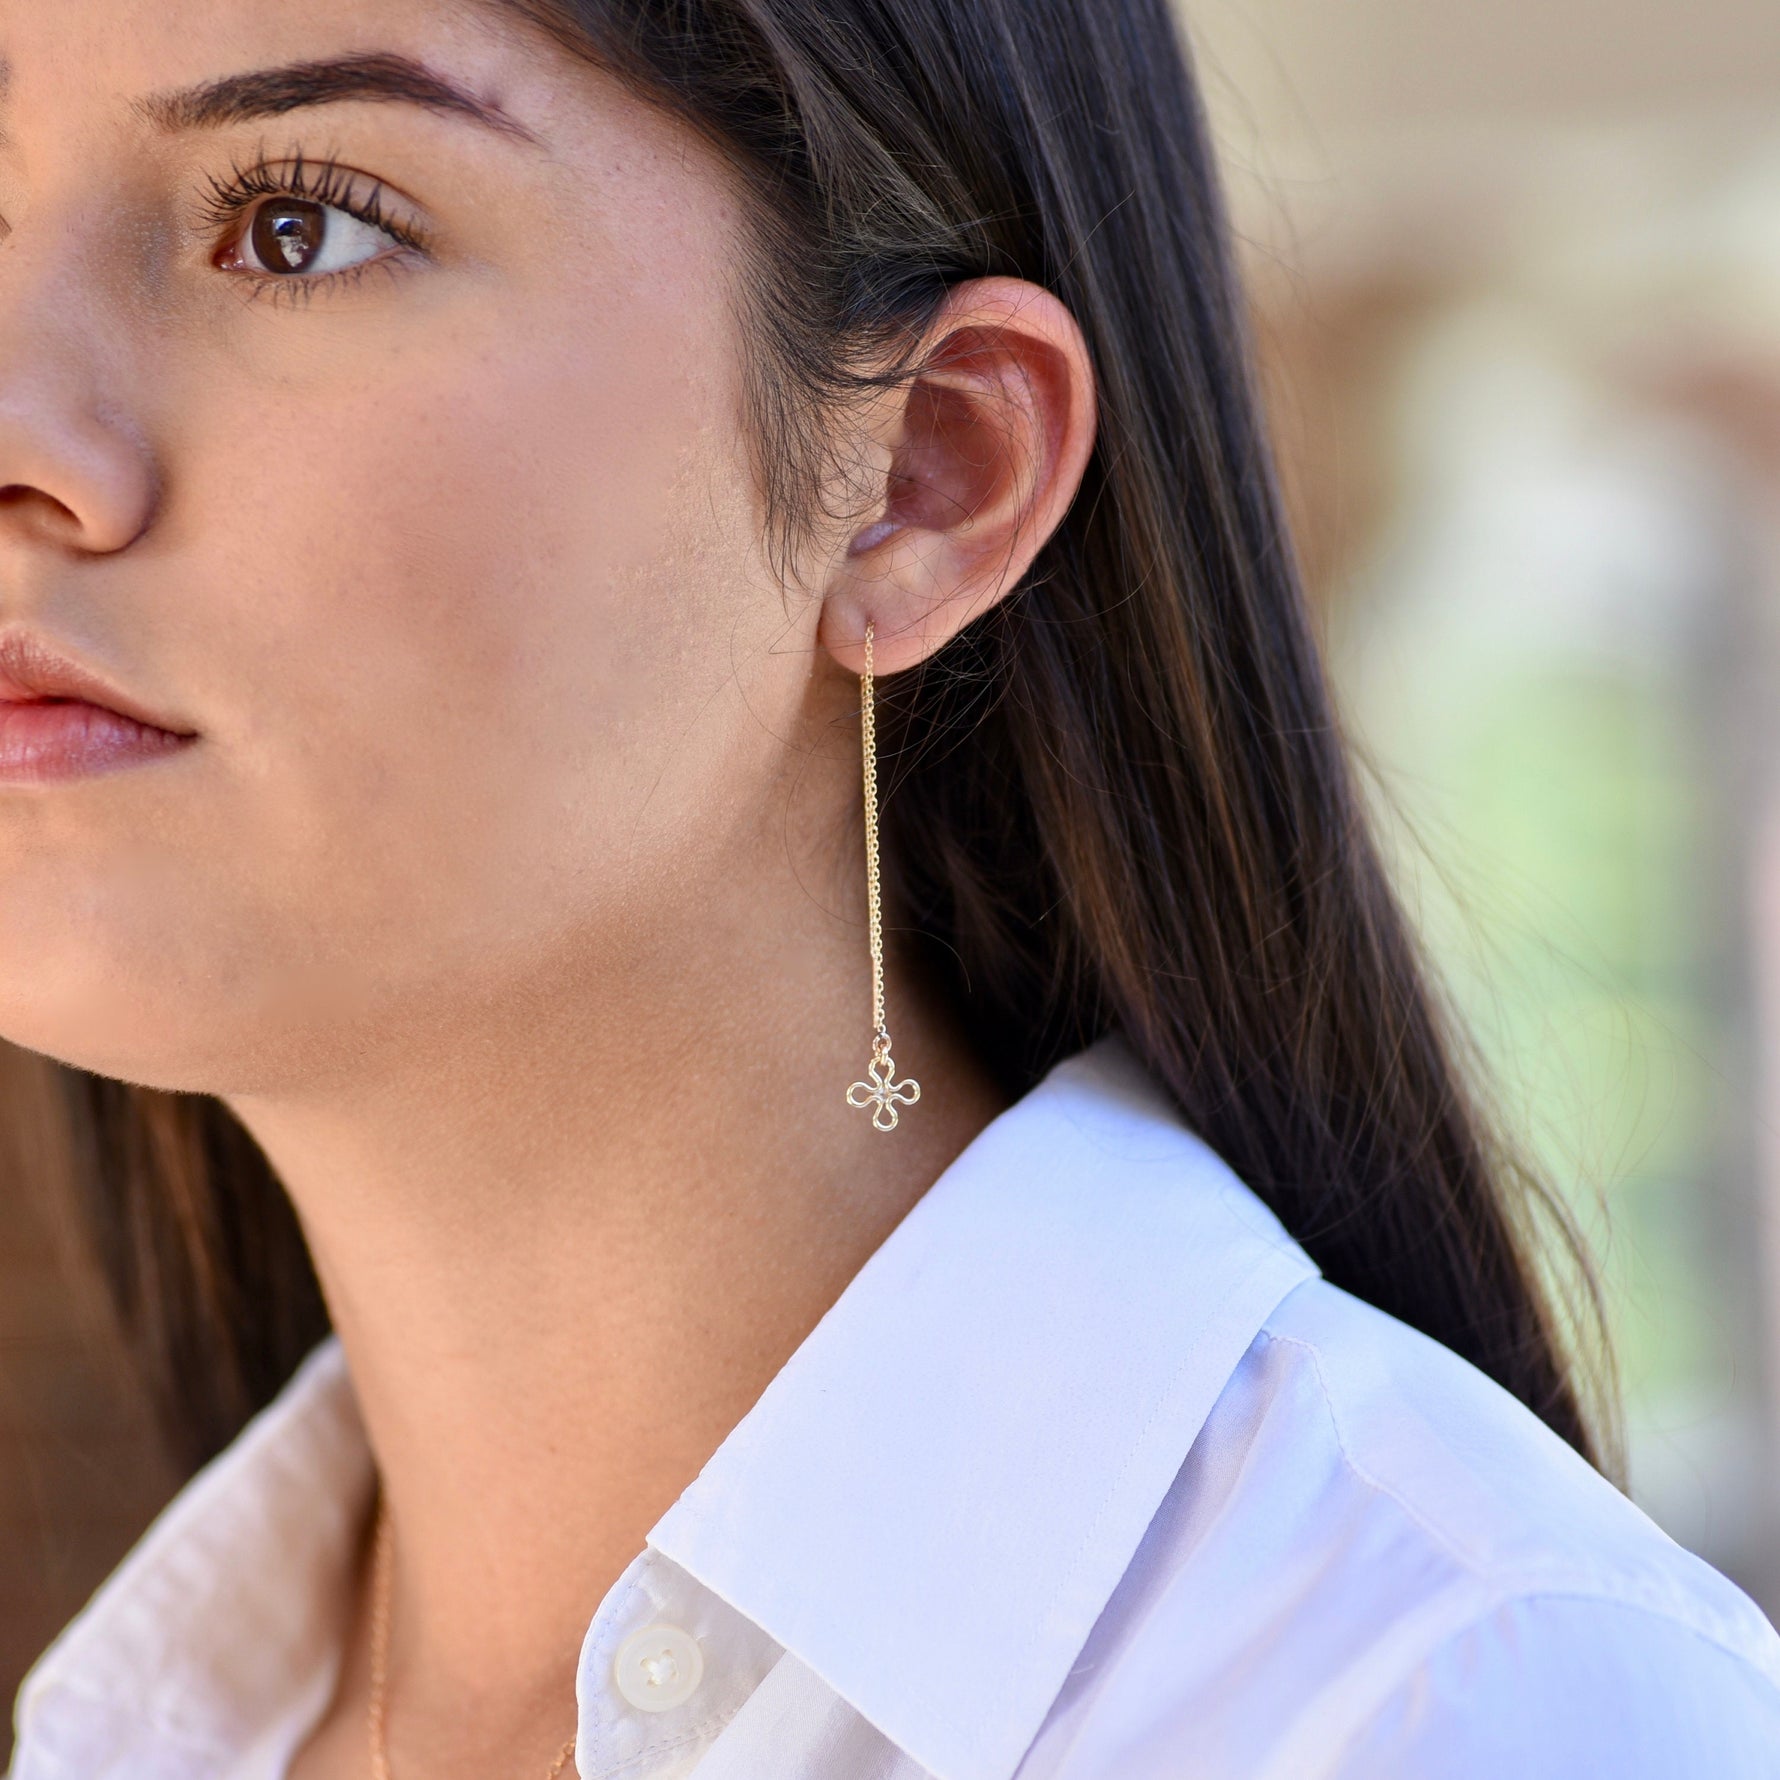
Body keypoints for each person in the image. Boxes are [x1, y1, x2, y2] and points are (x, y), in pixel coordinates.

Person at [2, 0, 1777, 1776]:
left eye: (296, 227)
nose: (21, 428)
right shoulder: (155, 1725)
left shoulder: (1454, 1704)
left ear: (926, 475)